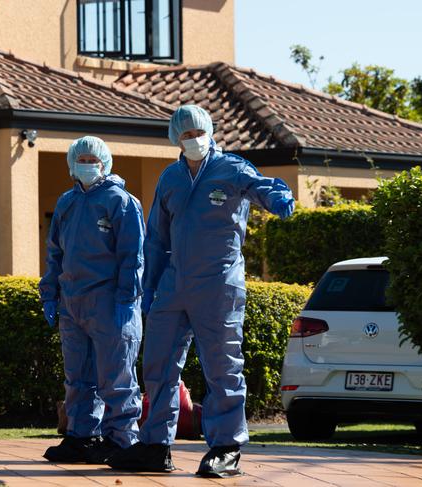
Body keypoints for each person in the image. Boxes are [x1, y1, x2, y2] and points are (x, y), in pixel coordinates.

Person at [107, 105, 295, 477]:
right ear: (176, 139)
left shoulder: (232, 169)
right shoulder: (171, 178)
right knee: (158, 364)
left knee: (222, 367)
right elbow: (157, 238)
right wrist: (147, 290)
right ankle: (155, 445)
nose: (192, 139)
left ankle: (226, 447)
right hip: (174, 285)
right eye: (185, 134)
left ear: (210, 131)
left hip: (218, 283)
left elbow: (260, 187)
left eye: (198, 132)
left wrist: (278, 197)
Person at [39, 135, 146, 464]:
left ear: (105, 162)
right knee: (78, 377)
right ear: (71, 163)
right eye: (81, 159)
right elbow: (55, 252)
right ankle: (82, 436)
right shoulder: (66, 203)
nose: (87, 164)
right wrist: (50, 293)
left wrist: (127, 299)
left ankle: (123, 440)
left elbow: (133, 256)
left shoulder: (121, 202)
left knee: (116, 377)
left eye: (92, 159)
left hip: (110, 303)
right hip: (73, 303)